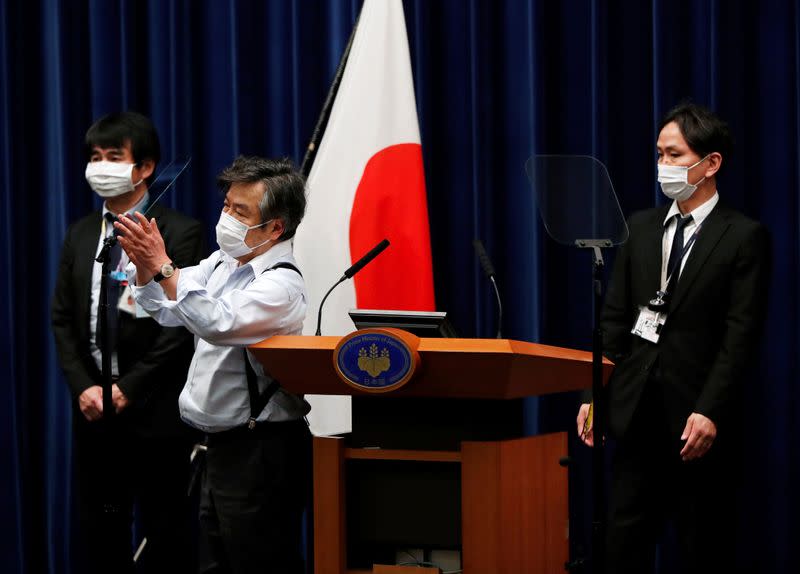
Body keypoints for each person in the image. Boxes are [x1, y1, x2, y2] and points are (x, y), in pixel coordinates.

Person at [576, 103, 770, 574]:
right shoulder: (640, 227)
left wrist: (710, 411)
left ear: (711, 163)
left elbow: (740, 336)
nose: (664, 165)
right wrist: (594, 394)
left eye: (675, 154)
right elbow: (616, 320)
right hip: (635, 412)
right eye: (659, 154)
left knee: (700, 546)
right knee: (623, 544)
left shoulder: (743, 236)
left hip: (695, 422)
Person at [115, 155, 312, 574]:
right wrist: (146, 269)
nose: (227, 217)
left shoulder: (281, 283)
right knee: (217, 563)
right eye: (226, 205)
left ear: (276, 227)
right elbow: (171, 309)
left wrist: (163, 266)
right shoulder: (223, 263)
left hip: (261, 450)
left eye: (241, 212)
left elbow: (218, 323)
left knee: (258, 562)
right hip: (218, 446)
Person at [51, 111, 205, 573]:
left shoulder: (180, 232)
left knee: (167, 536)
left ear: (145, 168)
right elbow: (62, 319)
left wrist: (129, 388)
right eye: (94, 157)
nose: (100, 165)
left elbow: (181, 324)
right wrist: (85, 387)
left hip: (154, 410)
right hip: (95, 410)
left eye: (113, 157)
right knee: (101, 532)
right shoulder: (80, 234)